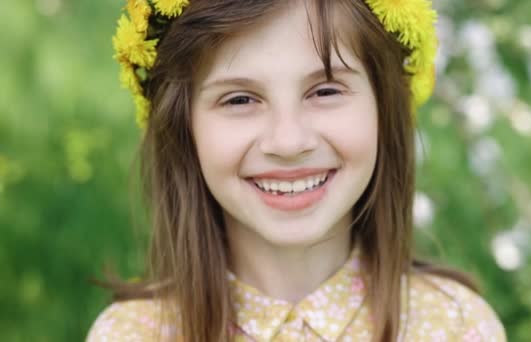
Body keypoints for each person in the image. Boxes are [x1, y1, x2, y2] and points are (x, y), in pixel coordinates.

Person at [87, 0, 507, 341]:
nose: (288, 142)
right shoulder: (132, 334)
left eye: (325, 90)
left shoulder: (455, 326)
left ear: (384, 108)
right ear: (183, 127)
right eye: (239, 100)